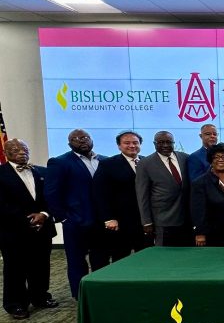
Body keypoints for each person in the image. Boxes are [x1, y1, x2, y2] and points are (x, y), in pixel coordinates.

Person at [45, 128, 109, 299]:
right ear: (69, 143)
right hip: (75, 221)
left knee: (101, 258)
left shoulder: (104, 160)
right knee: (76, 260)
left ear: (92, 140)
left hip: (101, 221)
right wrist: (64, 218)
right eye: (76, 139)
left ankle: (100, 290)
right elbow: (51, 193)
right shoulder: (59, 162)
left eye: (85, 137)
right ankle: (80, 295)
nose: (82, 141)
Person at [0, 139, 58, 319]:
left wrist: (44, 214)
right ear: (6, 151)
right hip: (13, 231)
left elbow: (52, 197)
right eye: (15, 149)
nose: (21, 151)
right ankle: (15, 304)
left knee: (41, 265)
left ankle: (40, 296)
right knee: (15, 268)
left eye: (24, 148)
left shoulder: (42, 171)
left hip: (42, 228)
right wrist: (28, 219)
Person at [93, 130, 150, 262]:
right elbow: (100, 193)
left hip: (144, 221)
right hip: (121, 222)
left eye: (135, 142)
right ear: (119, 146)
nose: (132, 146)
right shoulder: (108, 164)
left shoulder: (147, 162)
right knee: (121, 257)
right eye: (127, 143)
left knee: (146, 256)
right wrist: (108, 218)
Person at [135, 131, 193, 247]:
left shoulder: (185, 157)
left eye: (168, 142)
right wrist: (146, 222)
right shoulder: (145, 164)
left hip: (187, 218)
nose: (165, 145)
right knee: (165, 255)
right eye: (161, 142)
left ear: (173, 143)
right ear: (154, 143)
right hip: (163, 220)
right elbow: (142, 195)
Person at [191, 143, 224, 247]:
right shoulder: (200, 183)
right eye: (216, 157)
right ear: (211, 160)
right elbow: (198, 210)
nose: (221, 159)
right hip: (213, 235)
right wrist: (200, 233)